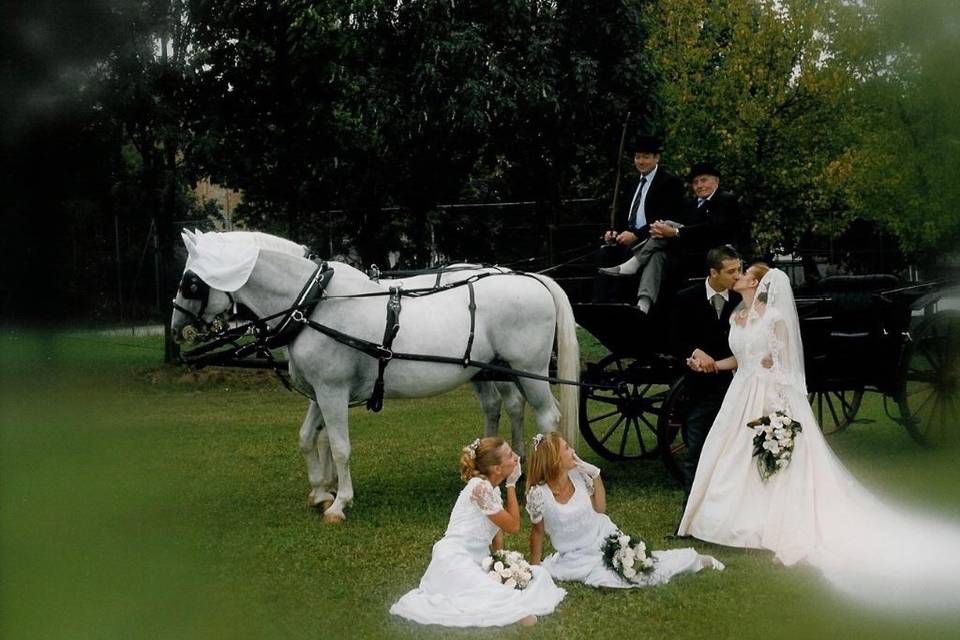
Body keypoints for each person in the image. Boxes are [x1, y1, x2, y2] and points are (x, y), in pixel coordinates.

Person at [678, 263, 960, 610]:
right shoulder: (739, 313)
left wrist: (778, 415)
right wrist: (710, 364)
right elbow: (741, 360)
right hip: (740, 394)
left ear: (757, 282)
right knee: (727, 455)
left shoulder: (774, 318)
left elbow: (784, 368)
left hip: (768, 396)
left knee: (763, 458)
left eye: (744, 274)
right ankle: (718, 517)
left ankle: (765, 520)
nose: (736, 277)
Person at [390, 437, 565, 627]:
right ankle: (512, 612)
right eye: (509, 455)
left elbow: (497, 534)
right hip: (453, 557)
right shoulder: (479, 488)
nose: (516, 458)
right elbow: (513, 526)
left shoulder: (492, 491)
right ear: (497, 469)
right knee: (491, 593)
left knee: (537, 576)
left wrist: (502, 563)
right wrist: (512, 485)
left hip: (477, 560)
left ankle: (508, 601)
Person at [525, 432, 723, 588]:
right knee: (608, 579)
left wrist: (596, 476)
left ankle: (692, 560)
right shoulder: (539, 495)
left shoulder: (579, 477)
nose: (573, 450)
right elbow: (537, 532)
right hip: (574, 557)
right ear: (555, 461)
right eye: (567, 449)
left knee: (636, 567)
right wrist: (535, 570)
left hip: (602, 537)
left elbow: (600, 510)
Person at [669, 245, 743, 503]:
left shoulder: (742, 300)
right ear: (714, 273)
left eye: (740, 269)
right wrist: (693, 352)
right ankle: (691, 510)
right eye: (732, 271)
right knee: (696, 451)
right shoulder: (685, 298)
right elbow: (673, 339)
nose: (738, 276)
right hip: (697, 389)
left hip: (735, 387)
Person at [599, 134, 685, 312]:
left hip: (656, 238)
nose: (641, 161)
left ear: (656, 158)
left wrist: (637, 234)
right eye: (638, 157)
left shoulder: (670, 182)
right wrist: (615, 232)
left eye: (646, 157)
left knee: (644, 254)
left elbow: (667, 216)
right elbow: (626, 215)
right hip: (630, 238)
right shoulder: (632, 183)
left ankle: (634, 301)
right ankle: (601, 305)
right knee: (603, 253)